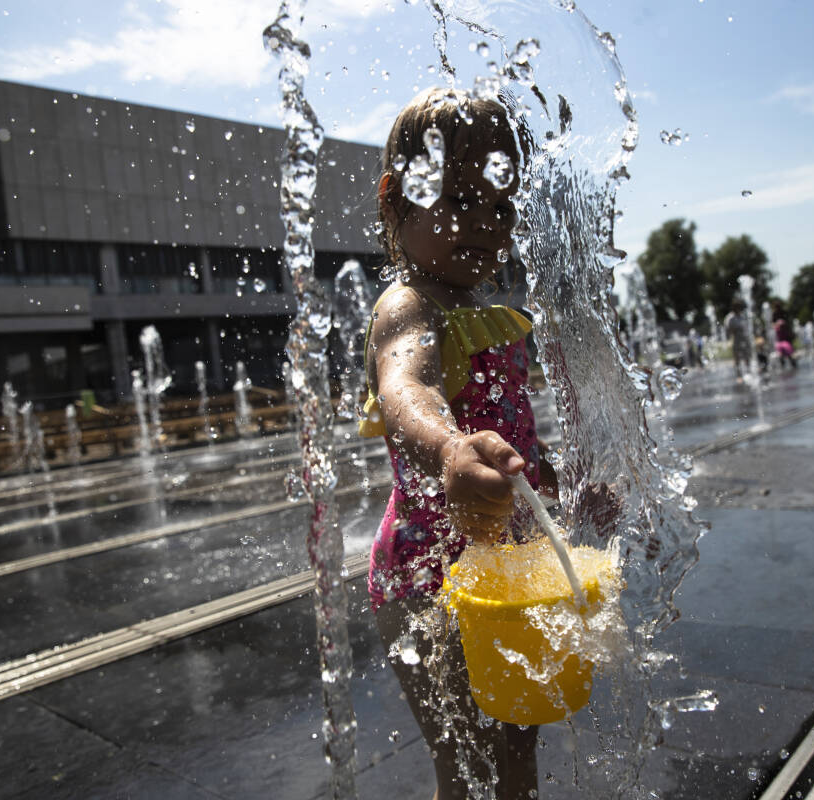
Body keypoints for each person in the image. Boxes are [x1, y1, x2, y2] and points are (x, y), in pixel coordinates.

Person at [358, 87, 549, 800]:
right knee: (467, 765)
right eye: (454, 199)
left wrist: (547, 479)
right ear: (393, 198)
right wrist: (447, 447)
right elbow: (407, 389)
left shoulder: (492, 314)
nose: (481, 224)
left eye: (498, 206)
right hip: (429, 579)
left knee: (519, 755)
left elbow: (512, 435)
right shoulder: (410, 306)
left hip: (506, 573)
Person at [725, 300, 753, 379]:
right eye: (738, 307)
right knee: (737, 358)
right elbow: (728, 330)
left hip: (744, 339)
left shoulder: (742, 316)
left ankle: (749, 372)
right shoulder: (730, 318)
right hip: (736, 339)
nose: (740, 309)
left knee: (747, 356)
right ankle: (739, 375)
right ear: (734, 308)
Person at [771, 301, 798, 369]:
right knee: (782, 354)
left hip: (785, 337)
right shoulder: (774, 314)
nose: (777, 308)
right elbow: (773, 324)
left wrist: (790, 333)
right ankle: (784, 366)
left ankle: (793, 365)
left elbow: (788, 323)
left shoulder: (783, 312)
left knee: (789, 353)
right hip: (780, 339)